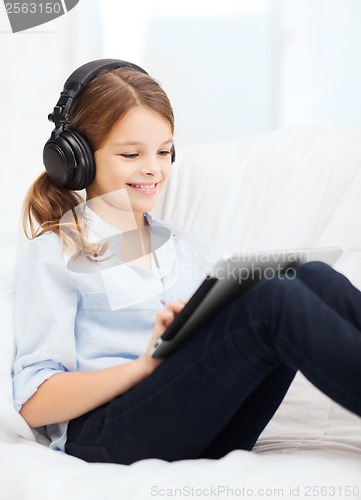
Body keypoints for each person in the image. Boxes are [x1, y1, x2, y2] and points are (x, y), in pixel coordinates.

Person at [12, 59, 361, 465]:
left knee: (309, 275)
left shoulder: (188, 247)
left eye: (163, 152)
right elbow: (34, 402)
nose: (152, 168)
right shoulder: (55, 252)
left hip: (199, 423)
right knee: (275, 300)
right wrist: (144, 365)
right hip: (106, 432)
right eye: (131, 154)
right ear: (78, 159)